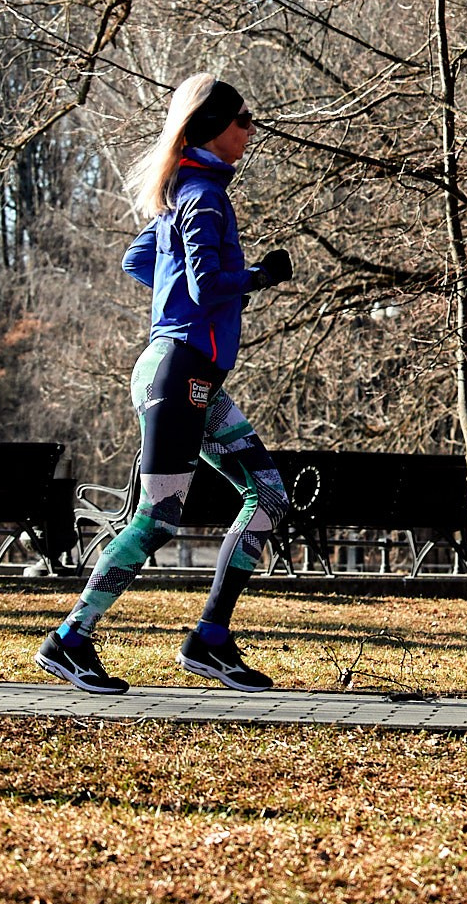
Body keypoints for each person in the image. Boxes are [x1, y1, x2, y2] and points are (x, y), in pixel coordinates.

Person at [39, 73, 296, 695]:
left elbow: (139, 260)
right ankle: (69, 640)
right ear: (212, 128)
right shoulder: (204, 195)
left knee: (267, 495)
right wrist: (261, 274)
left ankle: (209, 640)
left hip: (190, 373)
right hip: (179, 371)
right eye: (242, 120)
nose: (250, 130)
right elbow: (208, 287)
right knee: (159, 516)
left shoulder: (186, 190)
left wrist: (171, 298)